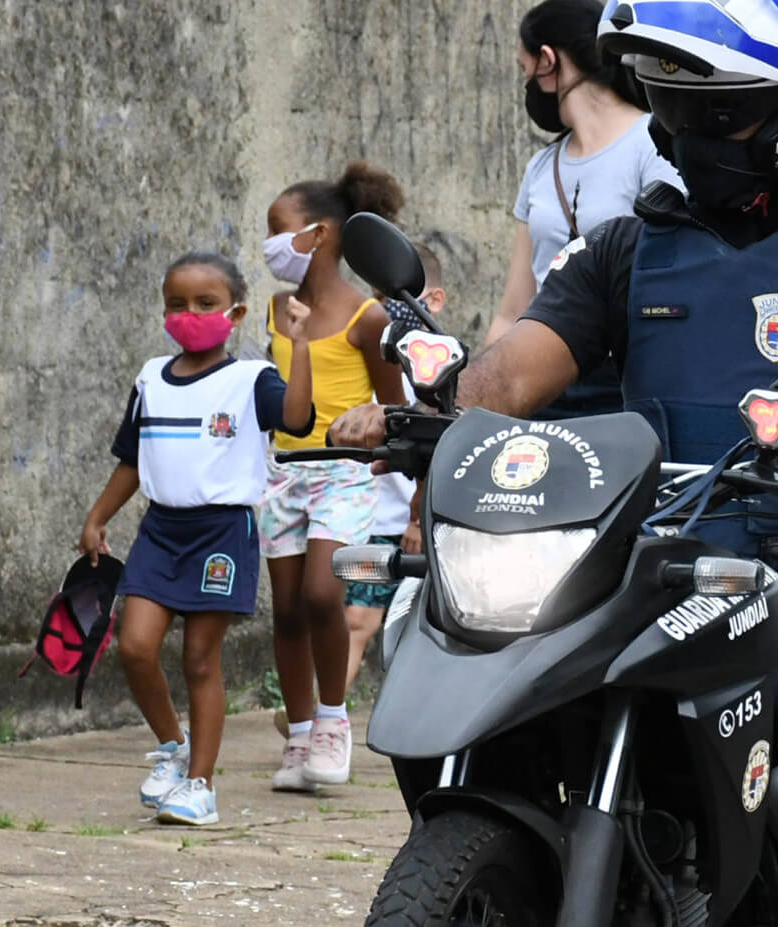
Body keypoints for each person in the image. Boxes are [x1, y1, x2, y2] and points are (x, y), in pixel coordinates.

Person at [330, 0, 778, 565]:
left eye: (716, 117)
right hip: (657, 572)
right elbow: (512, 373)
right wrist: (431, 411)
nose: (688, 140)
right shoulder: (622, 251)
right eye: (674, 112)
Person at [78, 252, 314, 825]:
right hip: (161, 529)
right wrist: (97, 516)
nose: (190, 314)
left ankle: (201, 787)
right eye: (177, 304)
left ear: (234, 313)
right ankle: (173, 747)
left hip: (221, 534)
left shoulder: (250, 379)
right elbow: (133, 460)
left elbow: (299, 418)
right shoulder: (150, 378)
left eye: (205, 304)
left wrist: (299, 345)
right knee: (134, 646)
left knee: (200, 659)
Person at [260, 161, 406, 792]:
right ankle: (297, 739)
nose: (268, 244)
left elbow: (394, 407)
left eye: (278, 230)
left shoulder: (366, 317)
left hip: (344, 474)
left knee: (324, 594)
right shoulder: (275, 310)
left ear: (318, 235)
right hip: (282, 474)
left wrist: (412, 487)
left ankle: (331, 721)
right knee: (287, 611)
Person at [482, 0, 683, 419]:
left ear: (547, 61)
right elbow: (513, 309)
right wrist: (479, 402)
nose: (528, 86)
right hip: (541, 382)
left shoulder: (654, 147)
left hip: (620, 385)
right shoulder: (540, 168)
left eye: (525, 71)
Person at [343, 242, 447, 694]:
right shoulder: (375, 358)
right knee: (357, 622)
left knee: (410, 626)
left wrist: (415, 518)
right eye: (380, 297)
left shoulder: (439, 369)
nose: (386, 309)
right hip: (375, 519)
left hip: (414, 523)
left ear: (434, 302)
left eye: (398, 297)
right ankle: (320, 715)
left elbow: (438, 445)